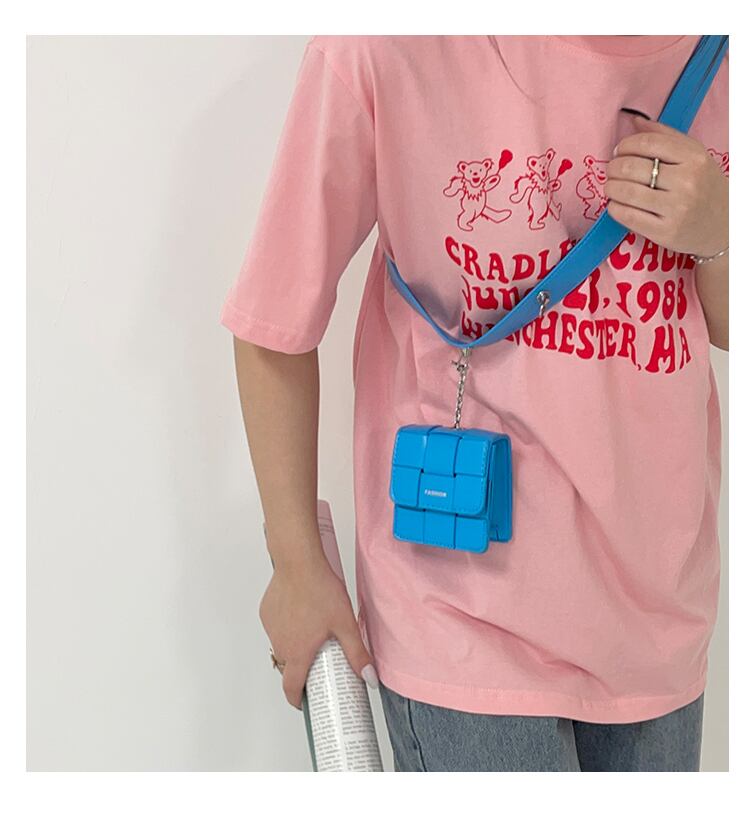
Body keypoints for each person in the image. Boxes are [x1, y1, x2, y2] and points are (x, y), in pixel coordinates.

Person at [220, 35, 729, 772]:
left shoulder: (721, 55)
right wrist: (295, 563)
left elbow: (727, 328)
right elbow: (274, 319)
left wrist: (722, 234)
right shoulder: (385, 45)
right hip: (460, 612)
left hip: (658, 618)